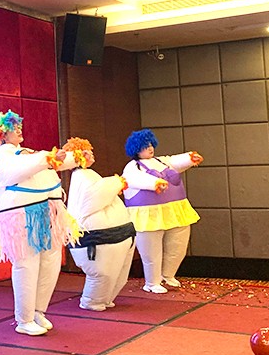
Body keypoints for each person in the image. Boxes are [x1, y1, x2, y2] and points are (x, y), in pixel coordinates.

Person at [0, 111, 89, 335]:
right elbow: (21, 169)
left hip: (47, 211)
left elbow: (52, 162)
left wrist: (76, 158)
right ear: (2, 134)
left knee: (50, 262)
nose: (19, 130)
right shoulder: (1, 155)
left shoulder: (28, 152)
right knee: (27, 264)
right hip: (22, 215)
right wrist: (46, 159)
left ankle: (39, 311)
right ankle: (24, 319)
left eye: (19, 126)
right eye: (13, 128)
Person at [121, 129, 202, 294]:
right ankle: (152, 282)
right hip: (149, 214)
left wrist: (190, 158)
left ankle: (168, 275)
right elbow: (133, 179)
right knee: (152, 251)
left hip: (174, 210)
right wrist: (154, 183)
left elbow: (175, 161)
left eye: (151, 144)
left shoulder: (162, 161)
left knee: (178, 245)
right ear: (136, 149)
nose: (150, 148)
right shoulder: (133, 167)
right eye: (145, 146)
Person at [66, 138, 135, 310]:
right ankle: (92, 301)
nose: (91, 154)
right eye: (86, 152)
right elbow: (94, 196)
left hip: (117, 234)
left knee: (117, 273)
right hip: (96, 238)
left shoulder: (89, 175)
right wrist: (117, 182)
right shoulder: (80, 177)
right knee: (103, 273)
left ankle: (105, 298)